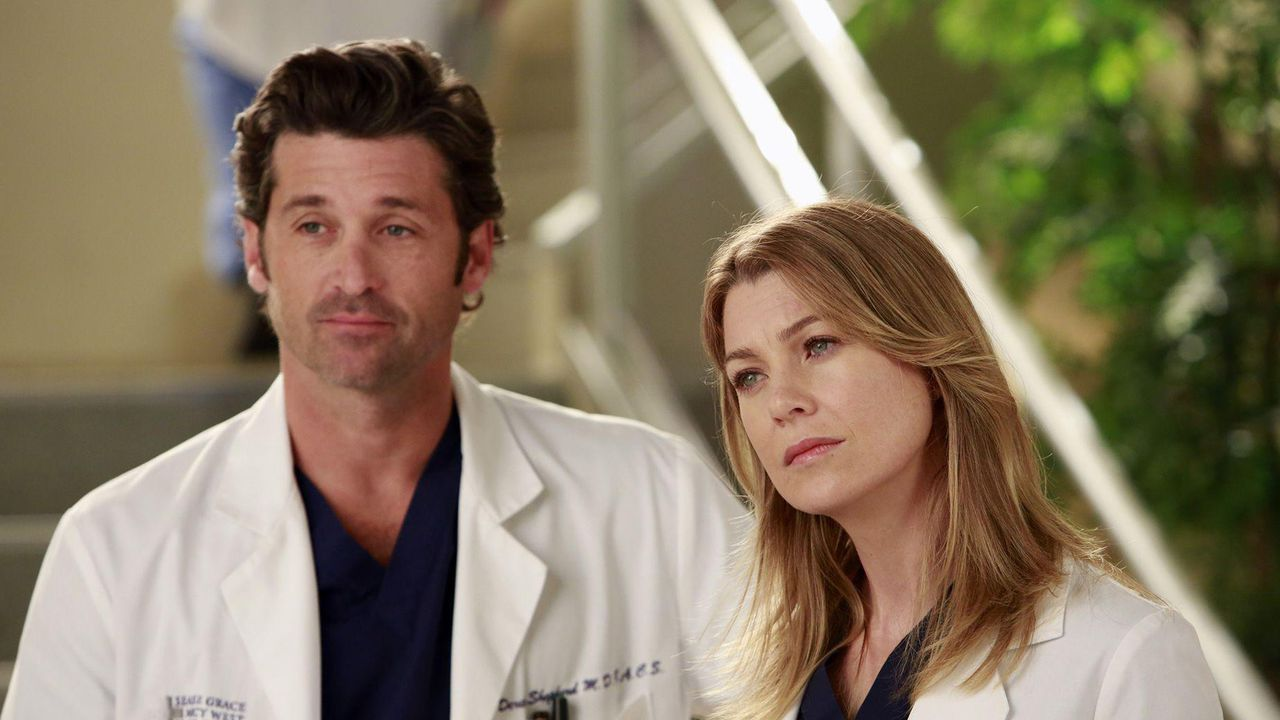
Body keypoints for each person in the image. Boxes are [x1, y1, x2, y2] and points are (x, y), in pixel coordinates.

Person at [2, 40, 741, 720]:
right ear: (256, 254)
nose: (353, 276)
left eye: (396, 228)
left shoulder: (655, 499)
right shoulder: (114, 552)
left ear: (476, 257)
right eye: (313, 227)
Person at [699, 199, 1222, 719]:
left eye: (818, 345)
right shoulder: (764, 673)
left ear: (926, 358)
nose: (781, 403)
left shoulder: (1123, 654)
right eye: (750, 377)